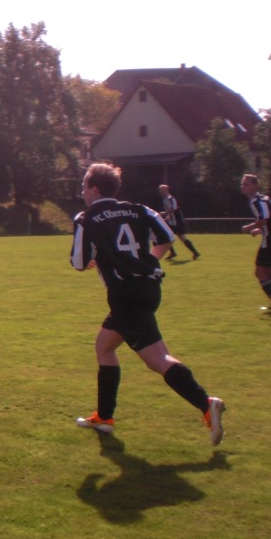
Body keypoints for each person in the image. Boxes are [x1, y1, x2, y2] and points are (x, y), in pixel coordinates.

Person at [71, 163, 224, 445]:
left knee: (158, 359)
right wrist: (145, 262)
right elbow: (166, 238)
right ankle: (104, 417)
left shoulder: (87, 217)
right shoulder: (139, 209)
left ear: (94, 189)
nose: (82, 192)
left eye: (83, 186)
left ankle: (206, 403)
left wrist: (105, 261)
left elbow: (79, 262)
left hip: (125, 295)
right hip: (149, 288)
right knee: (104, 345)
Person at [240, 173, 271, 311]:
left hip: (269, 242)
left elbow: (264, 219)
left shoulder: (257, 201)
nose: (243, 187)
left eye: (246, 184)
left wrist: (249, 227)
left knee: (260, 272)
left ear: (255, 185)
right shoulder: (263, 199)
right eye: (242, 184)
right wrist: (259, 230)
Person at [158, 184, 200, 260]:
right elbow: (170, 212)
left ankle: (195, 252)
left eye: (161, 190)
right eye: (160, 190)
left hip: (177, 221)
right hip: (172, 221)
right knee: (165, 236)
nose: (160, 192)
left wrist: (164, 213)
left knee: (182, 238)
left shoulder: (171, 198)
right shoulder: (164, 200)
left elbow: (173, 210)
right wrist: (168, 217)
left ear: (166, 190)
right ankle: (173, 253)